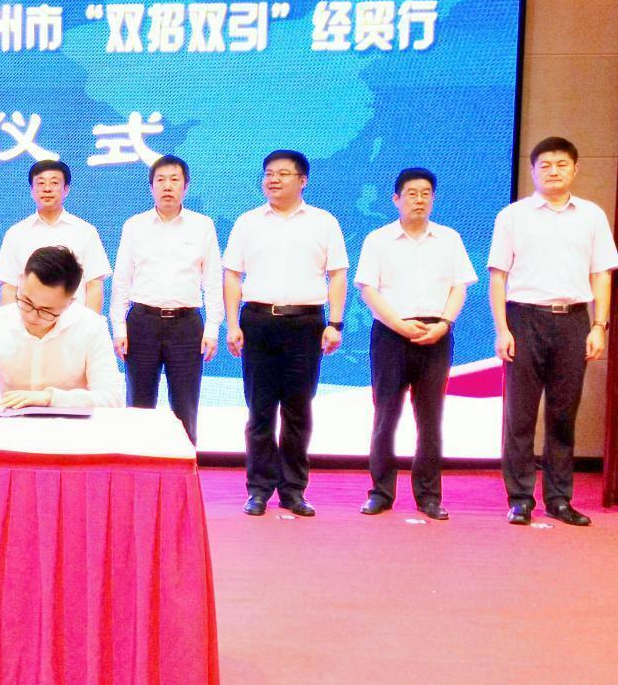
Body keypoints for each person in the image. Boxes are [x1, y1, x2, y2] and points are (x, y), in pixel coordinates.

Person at [489, 136, 618, 526]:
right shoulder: (513, 216)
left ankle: (559, 499)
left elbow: (602, 274)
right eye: (545, 165)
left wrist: (599, 325)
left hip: (573, 320)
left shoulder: (591, 216)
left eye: (562, 164)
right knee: (520, 415)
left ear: (576, 169)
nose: (554, 171)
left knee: (563, 414)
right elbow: (498, 276)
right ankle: (520, 498)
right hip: (524, 319)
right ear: (532, 170)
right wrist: (502, 329)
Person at [224, 150, 348, 517]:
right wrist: (232, 324)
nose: (273, 179)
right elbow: (232, 275)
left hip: (306, 324)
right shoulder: (248, 222)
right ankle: (258, 489)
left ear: (303, 180)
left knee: (298, 410)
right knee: (259, 410)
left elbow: (337, 274)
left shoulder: (323, 222)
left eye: (282, 173)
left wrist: (335, 323)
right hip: (258, 321)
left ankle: (293, 490)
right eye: (268, 173)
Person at [354, 168, 476, 520]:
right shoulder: (378, 240)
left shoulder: (449, 239)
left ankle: (429, 496)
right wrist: (399, 325)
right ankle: (380, 493)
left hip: (436, 335)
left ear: (433, 199)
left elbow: (459, 287)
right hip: (391, 335)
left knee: (430, 419)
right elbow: (368, 289)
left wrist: (445, 324)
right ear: (396, 199)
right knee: (386, 416)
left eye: (425, 193)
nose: (419, 199)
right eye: (411, 193)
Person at [110, 154, 222, 444]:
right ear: (151, 187)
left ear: (186, 186)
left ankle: (184, 465)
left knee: (185, 405)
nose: (167, 186)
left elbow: (212, 281)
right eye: (160, 180)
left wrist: (212, 329)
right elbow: (122, 281)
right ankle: (137, 464)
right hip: (142, 322)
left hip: (186, 325)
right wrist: (119, 328)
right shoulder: (135, 225)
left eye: (174, 180)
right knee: (139, 405)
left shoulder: (202, 225)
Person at [0, 246, 124, 409]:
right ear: (20, 281)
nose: (32, 316)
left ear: (69, 303)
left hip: (70, 432)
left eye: (46, 311)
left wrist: (50, 398)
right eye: (26, 302)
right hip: (11, 429)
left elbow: (112, 397)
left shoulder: (91, 327)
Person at [0, 159, 111, 311]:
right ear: (31, 190)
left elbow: (94, 284)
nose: (47, 189)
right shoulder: (16, 233)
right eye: (40, 183)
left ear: (66, 189)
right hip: (29, 319)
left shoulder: (85, 231)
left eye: (54, 183)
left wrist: (89, 323)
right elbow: (9, 286)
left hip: (74, 321)